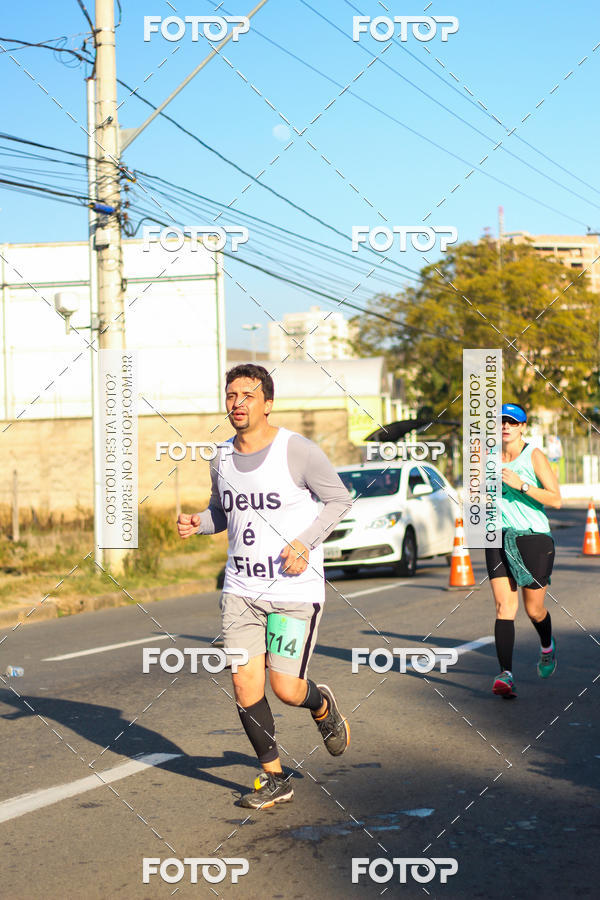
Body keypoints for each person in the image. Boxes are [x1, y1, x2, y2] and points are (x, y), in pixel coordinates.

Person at [177, 364, 353, 808]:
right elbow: (222, 512)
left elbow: (339, 500)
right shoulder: (220, 457)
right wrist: (200, 523)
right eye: (231, 395)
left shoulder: (298, 451)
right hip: (240, 591)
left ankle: (322, 706)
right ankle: (275, 777)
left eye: (247, 396)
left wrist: (305, 542)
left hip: (294, 591)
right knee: (243, 686)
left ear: (268, 403)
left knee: (286, 689)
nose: (237, 403)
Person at [485, 402, 562, 699]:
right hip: (499, 538)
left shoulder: (534, 456)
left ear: (522, 427)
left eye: (512, 422)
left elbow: (556, 499)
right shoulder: (489, 458)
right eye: (501, 421)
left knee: (533, 609)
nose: (505, 426)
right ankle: (506, 675)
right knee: (505, 608)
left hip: (533, 539)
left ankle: (547, 647)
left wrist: (522, 485)